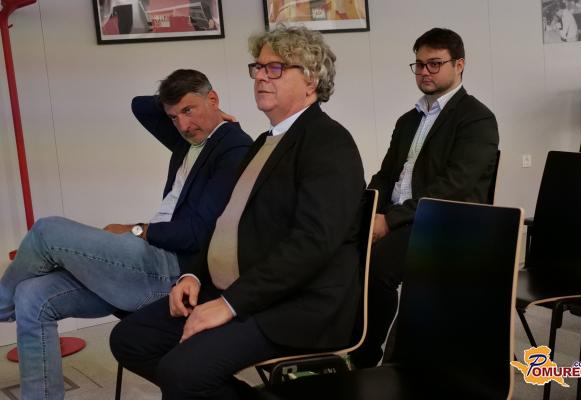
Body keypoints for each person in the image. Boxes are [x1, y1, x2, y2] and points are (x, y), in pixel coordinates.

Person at [110, 24, 365, 400]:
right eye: (258, 67)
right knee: (130, 339)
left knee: (182, 371)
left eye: (275, 68)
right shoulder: (264, 142)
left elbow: (312, 244)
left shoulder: (329, 142)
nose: (261, 76)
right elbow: (225, 223)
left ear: (311, 80)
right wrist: (194, 275)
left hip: (297, 306)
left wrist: (230, 305)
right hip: (242, 290)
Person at [0, 69, 252, 400]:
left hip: (173, 269)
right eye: (174, 116)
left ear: (213, 98)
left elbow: (197, 233)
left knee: (47, 231)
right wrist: (201, 110)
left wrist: (138, 230)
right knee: (32, 295)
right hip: (143, 260)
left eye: (189, 110)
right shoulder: (189, 137)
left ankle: (0, 305)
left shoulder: (233, 147)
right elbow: (140, 105)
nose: (183, 124)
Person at [350, 27, 499, 368]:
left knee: (377, 265)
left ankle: (365, 359)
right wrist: (365, 211)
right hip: (401, 217)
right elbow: (385, 176)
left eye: (434, 64)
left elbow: (454, 187)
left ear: (459, 65)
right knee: (340, 250)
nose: (424, 72)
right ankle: (339, 344)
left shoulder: (477, 118)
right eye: (419, 64)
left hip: (445, 224)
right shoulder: (408, 120)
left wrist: (389, 221)